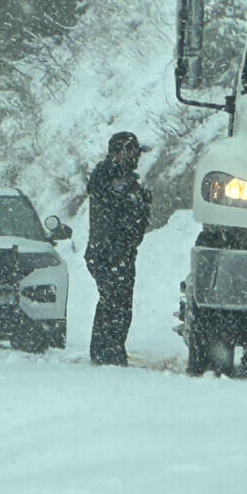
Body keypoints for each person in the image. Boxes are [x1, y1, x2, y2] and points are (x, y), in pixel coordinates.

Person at [86, 131, 151, 366]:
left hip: (119, 251)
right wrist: (135, 202)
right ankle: (106, 352)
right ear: (116, 152)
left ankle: (110, 350)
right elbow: (114, 214)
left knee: (118, 303)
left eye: (135, 152)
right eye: (129, 151)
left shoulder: (124, 179)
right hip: (108, 252)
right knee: (114, 302)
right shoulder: (107, 178)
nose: (134, 156)